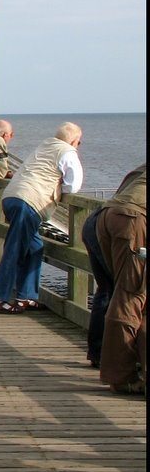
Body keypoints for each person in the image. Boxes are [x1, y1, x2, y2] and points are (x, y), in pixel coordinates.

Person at [0, 122, 84, 314]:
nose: (77, 146)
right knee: (14, 250)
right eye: (79, 143)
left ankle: (27, 296)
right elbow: (73, 185)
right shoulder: (67, 152)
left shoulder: (45, 145)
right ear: (73, 140)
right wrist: (59, 189)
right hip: (29, 202)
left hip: (11, 197)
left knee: (35, 248)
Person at [80, 164, 143, 369]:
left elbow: (123, 188)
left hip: (102, 218)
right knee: (129, 293)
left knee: (109, 290)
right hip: (129, 220)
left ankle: (99, 353)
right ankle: (120, 368)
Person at [95, 164, 146, 395]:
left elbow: (127, 181)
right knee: (131, 293)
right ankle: (121, 376)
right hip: (132, 218)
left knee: (128, 291)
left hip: (109, 214)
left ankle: (126, 367)